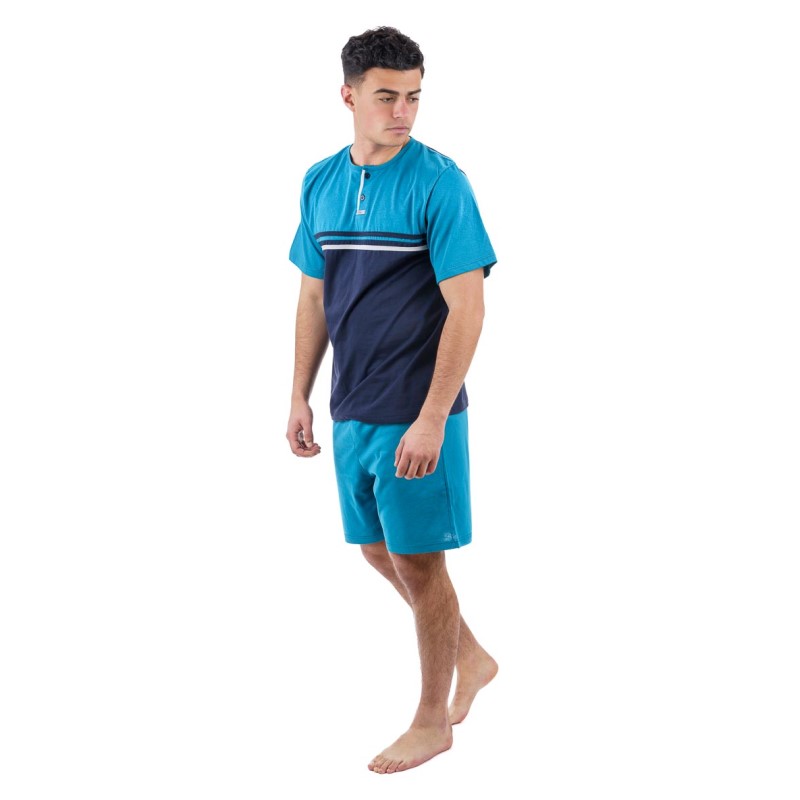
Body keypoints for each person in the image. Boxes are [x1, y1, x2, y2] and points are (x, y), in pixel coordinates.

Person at [285, 26, 498, 775]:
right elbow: (314, 295)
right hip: (351, 406)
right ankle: (471, 656)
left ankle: (432, 721)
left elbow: (468, 307)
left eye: (413, 97)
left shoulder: (441, 183)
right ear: (348, 96)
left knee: (421, 564)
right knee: (377, 549)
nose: (403, 111)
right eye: (386, 96)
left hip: (417, 412)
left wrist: (433, 417)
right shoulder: (319, 181)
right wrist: (299, 395)